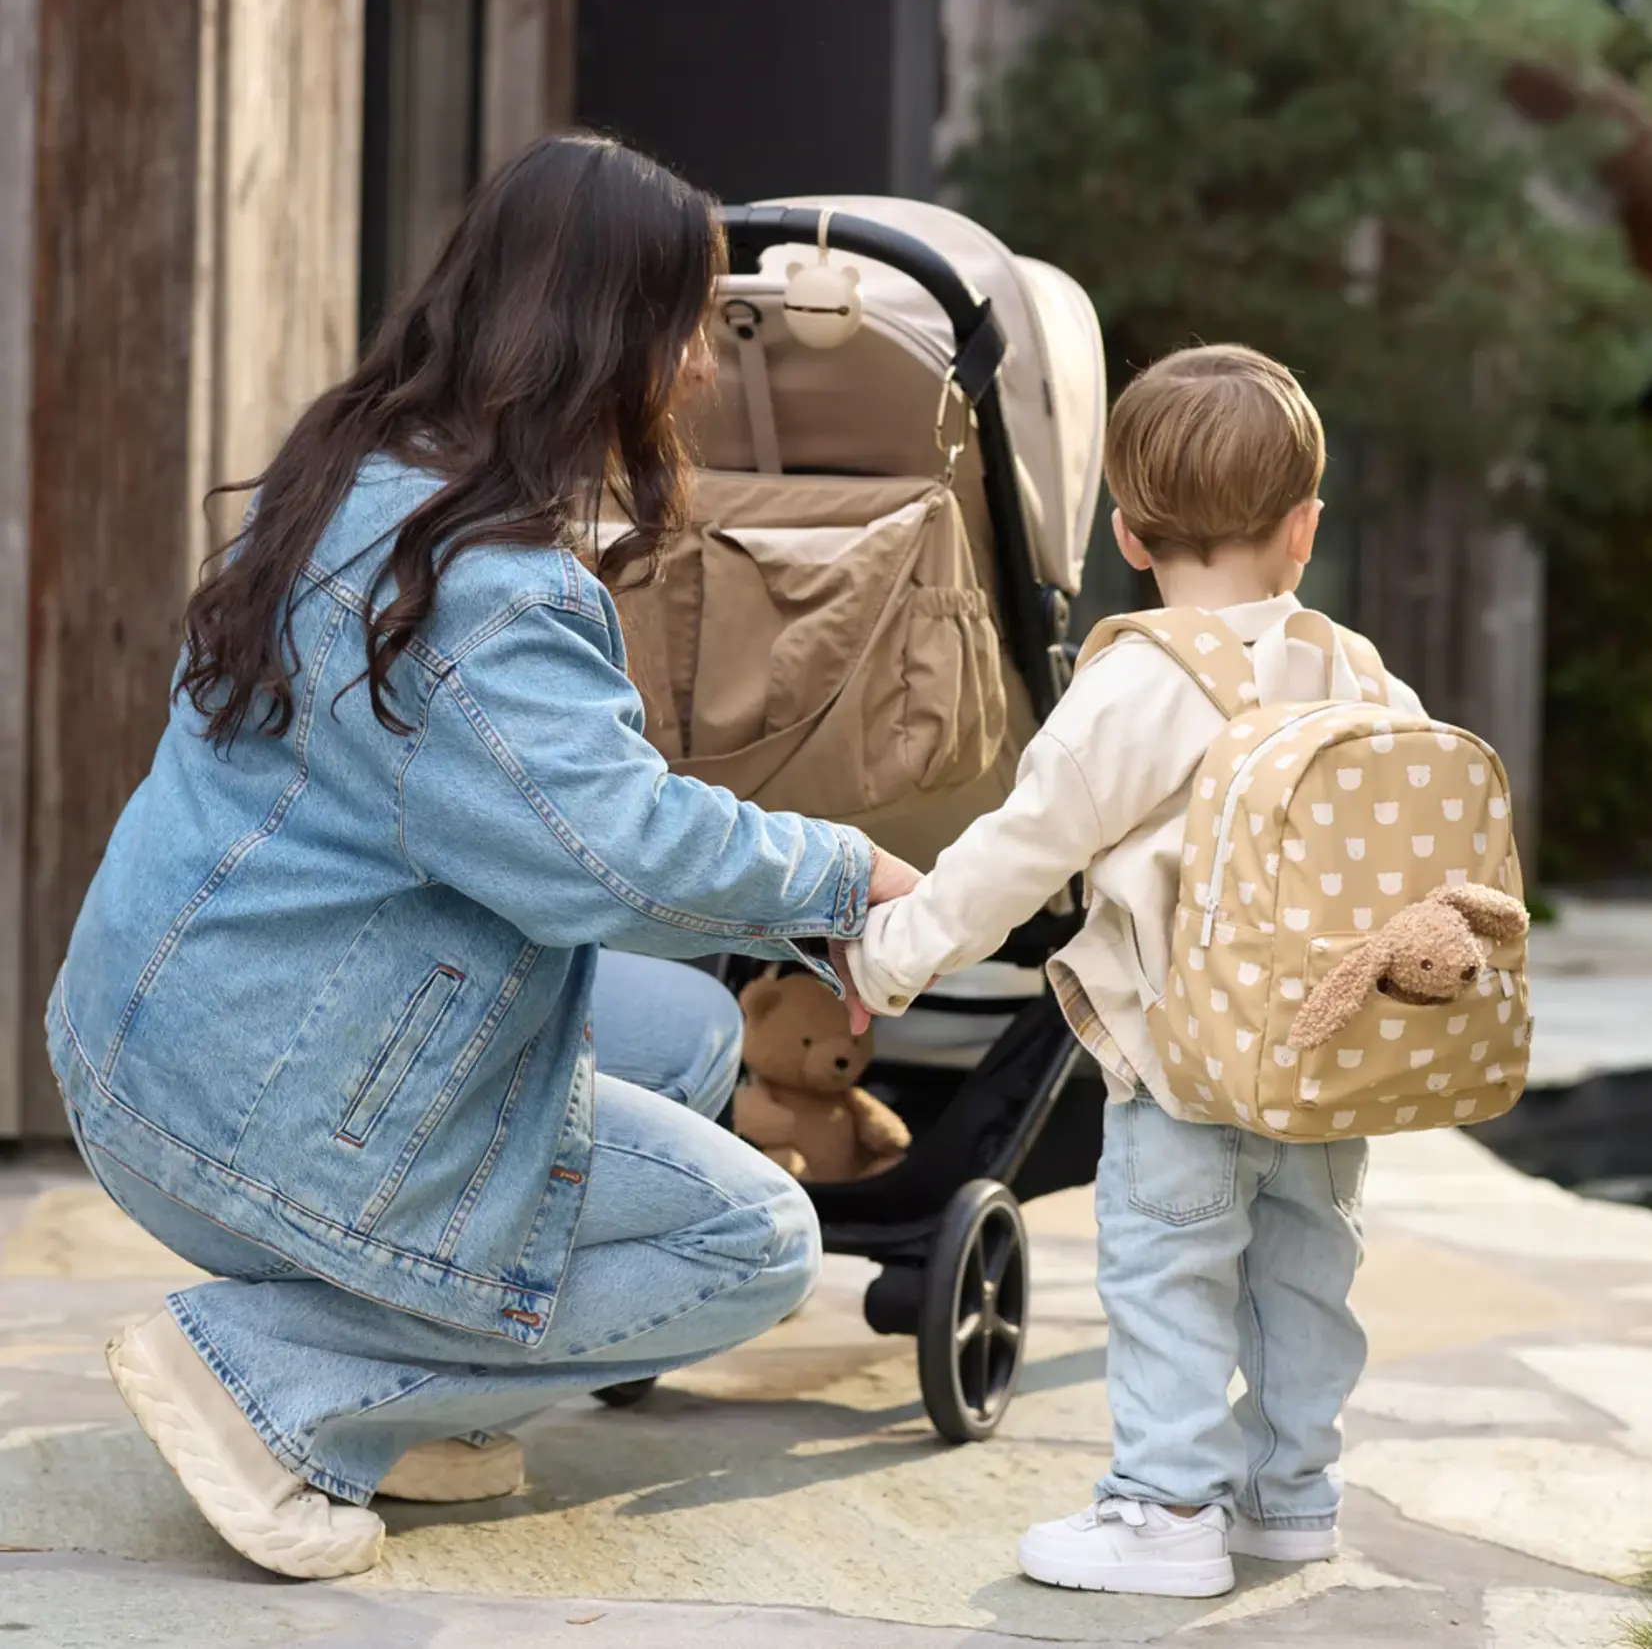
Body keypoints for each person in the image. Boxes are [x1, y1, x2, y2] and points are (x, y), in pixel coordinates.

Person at [46, 133, 916, 1581]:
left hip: (154, 1033)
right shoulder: (489, 591)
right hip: (243, 1114)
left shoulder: (353, 468)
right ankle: (273, 1372)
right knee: (755, 1241)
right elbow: (617, 853)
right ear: (605, 335)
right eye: (687, 324)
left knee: (691, 1033)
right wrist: (844, 878)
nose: (701, 364)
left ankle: (415, 1398)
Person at [845, 345, 1427, 1600]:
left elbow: (1015, 854)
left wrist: (888, 957)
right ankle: (1288, 1497)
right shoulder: (1358, 670)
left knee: (1170, 1279)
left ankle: (1164, 1511)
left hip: (1180, 1063)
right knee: (1303, 1282)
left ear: (1125, 532)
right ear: (1302, 529)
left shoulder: (1133, 686)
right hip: (1322, 1069)